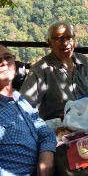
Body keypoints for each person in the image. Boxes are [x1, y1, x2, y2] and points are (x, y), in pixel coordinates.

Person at [20, 21, 88, 120]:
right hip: (61, 130)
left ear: (74, 41)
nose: (65, 43)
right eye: (59, 39)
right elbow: (23, 107)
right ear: (49, 43)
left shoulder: (83, 61)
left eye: (69, 38)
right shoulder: (40, 70)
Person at [0, 45, 56, 175]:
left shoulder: (17, 96)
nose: (3, 62)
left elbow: (43, 129)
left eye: (7, 57)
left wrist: (46, 157)